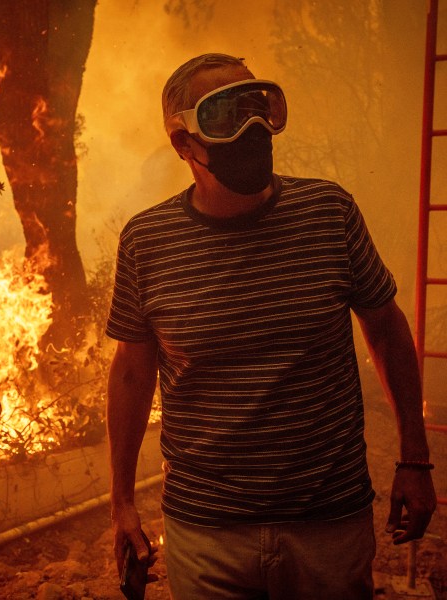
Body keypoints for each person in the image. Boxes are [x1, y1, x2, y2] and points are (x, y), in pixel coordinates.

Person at [106, 53, 436, 600]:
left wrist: (415, 459)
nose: (253, 129)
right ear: (184, 143)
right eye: (225, 116)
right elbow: (132, 374)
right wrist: (121, 504)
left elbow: (387, 329)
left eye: (259, 107)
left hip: (329, 524)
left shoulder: (329, 212)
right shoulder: (147, 241)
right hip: (206, 534)